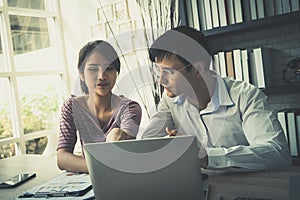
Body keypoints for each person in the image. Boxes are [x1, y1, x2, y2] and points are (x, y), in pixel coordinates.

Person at [141, 26, 292, 171]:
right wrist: (168, 145)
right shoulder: (169, 101)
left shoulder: (245, 96)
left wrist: (205, 157)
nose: (161, 80)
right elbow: (146, 146)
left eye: (169, 72)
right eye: (158, 71)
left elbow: (277, 152)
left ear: (198, 69)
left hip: (247, 192)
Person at [57, 40, 142, 173]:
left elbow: (124, 152)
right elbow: (62, 158)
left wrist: (118, 134)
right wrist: (100, 167)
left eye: (109, 68)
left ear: (116, 73)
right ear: (81, 74)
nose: (102, 76)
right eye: (93, 69)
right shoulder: (72, 107)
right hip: (91, 178)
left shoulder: (130, 108)